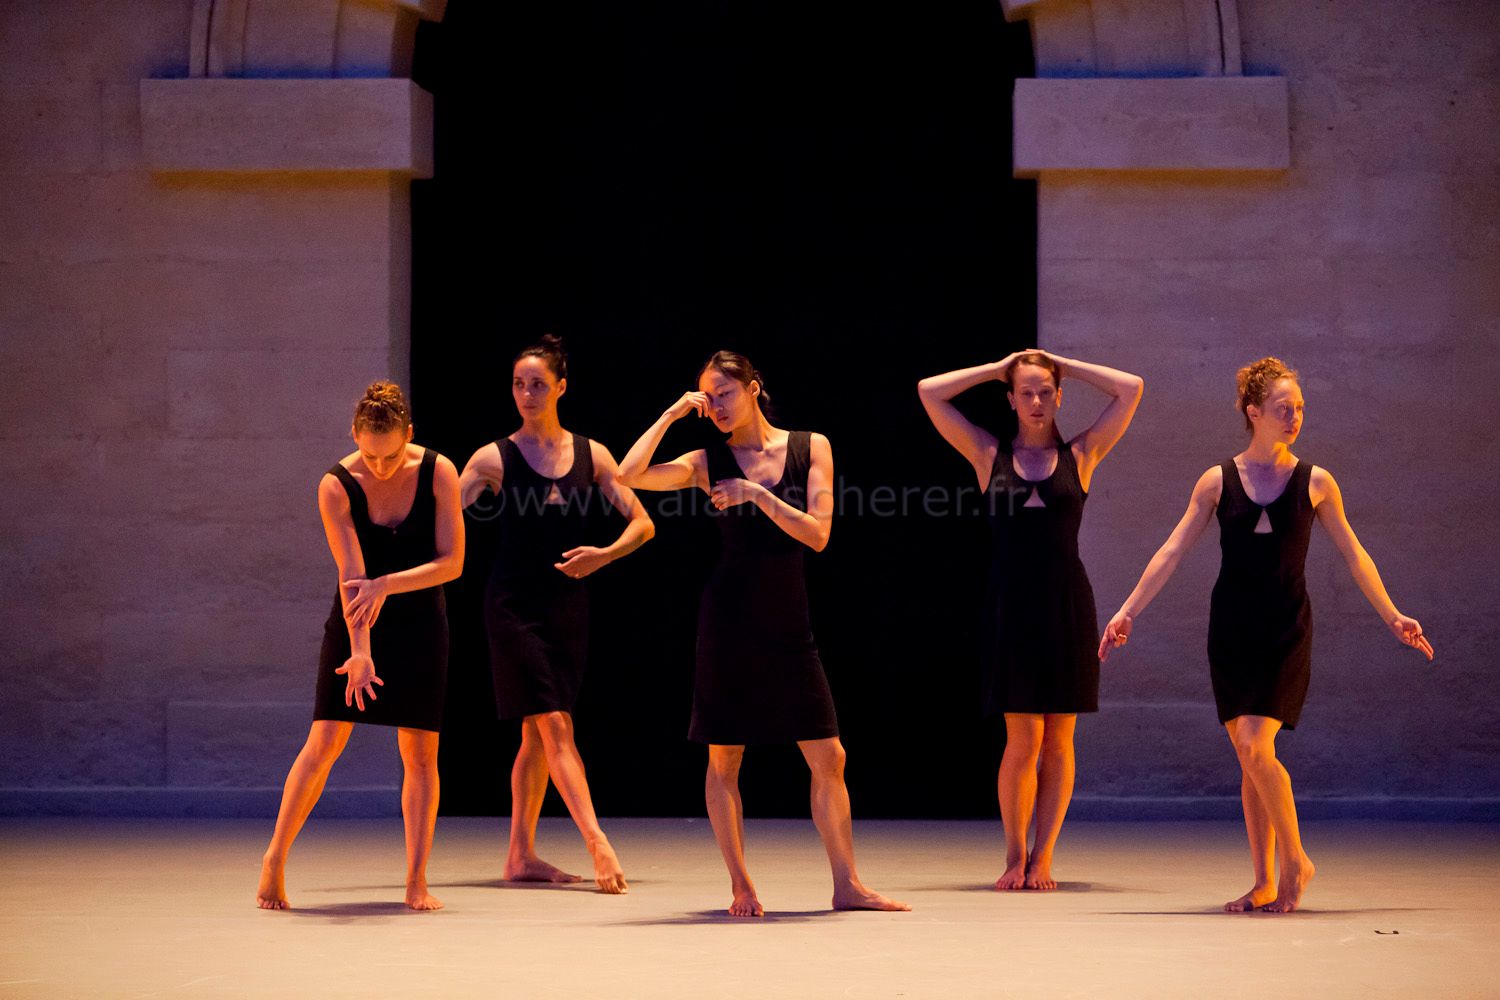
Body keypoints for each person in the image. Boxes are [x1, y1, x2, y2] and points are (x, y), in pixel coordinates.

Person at [1099, 356, 1434, 913]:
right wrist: (1127, 611)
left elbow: (1354, 554)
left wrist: (1392, 614)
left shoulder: (1316, 482)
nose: (1295, 417)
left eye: (1300, 408)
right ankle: (1263, 882)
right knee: (1249, 757)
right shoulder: (1217, 480)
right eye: (1284, 408)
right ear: (1253, 412)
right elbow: (1172, 549)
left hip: (1285, 629)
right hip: (1231, 630)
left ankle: (1296, 861)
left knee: (1256, 747)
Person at [618, 350, 909, 917]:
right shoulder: (707, 460)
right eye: (707, 398)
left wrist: (757, 494)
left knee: (830, 756)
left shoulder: (809, 446)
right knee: (725, 759)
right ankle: (741, 885)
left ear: (753, 389)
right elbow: (628, 475)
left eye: (725, 393)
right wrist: (672, 414)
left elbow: (818, 535)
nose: (716, 407)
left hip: (789, 624)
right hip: (728, 621)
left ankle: (847, 884)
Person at [918, 349, 1144, 891]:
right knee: (1022, 739)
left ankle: (1044, 857)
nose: (1037, 401)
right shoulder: (987, 454)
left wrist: (1062, 362)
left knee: (1060, 739)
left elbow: (1131, 387)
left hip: (1067, 606)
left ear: (1059, 396)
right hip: (1009, 608)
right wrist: (999, 366)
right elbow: (929, 391)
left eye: (1046, 391)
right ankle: (1015, 855)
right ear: (1011, 399)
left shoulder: (1082, 454)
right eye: (1026, 392)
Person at [257, 381, 464, 911]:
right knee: (325, 739)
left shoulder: (439, 471)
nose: (381, 466)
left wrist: (386, 585)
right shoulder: (335, 485)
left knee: (420, 752)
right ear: (354, 435)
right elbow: (352, 576)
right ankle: (275, 858)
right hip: (357, 619)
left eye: (391, 455)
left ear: (409, 435)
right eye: (371, 455)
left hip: (421, 622)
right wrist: (361, 651)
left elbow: (452, 563)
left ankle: (416, 880)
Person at [459, 335, 653, 895]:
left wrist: (604, 555)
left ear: (561, 387)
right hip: (511, 606)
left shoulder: (593, 455)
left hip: (567, 608)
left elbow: (643, 524)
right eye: (519, 384)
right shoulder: (493, 458)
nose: (527, 394)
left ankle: (519, 854)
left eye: (538, 384)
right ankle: (597, 841)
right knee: (554, 724)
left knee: (536, 734)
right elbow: (437, 511)